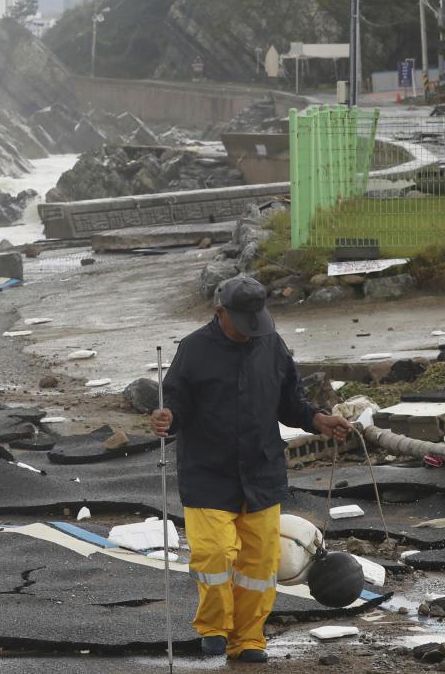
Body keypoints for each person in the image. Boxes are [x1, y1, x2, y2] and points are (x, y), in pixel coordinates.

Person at [150, 275, 352, 664]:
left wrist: (318, 420)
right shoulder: (193, 349)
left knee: (259, 564)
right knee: (215, 555)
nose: (249, 333)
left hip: (261, 471)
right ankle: (214, 627)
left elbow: (291, 402)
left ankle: (249, 638)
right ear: (220, 311)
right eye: (241, 324)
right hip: (207, 473)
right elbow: (175, 403)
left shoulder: (271, 345)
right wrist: (166, 418)